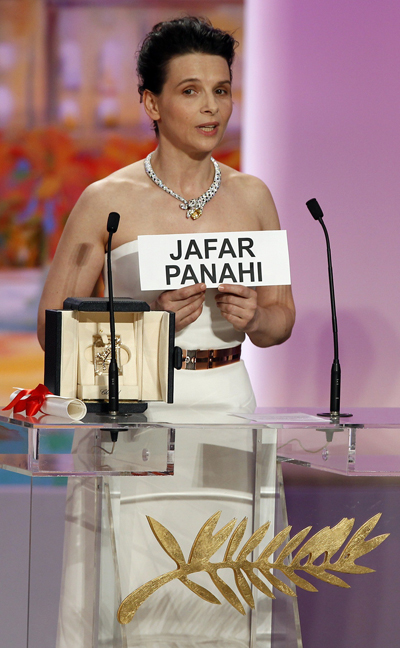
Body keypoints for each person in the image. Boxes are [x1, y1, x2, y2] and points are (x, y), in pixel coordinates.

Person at [37, 16, 295, 414]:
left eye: (221, 90)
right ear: (152, 103)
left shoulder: (254, 196)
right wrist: (153, 324)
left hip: (230, 406)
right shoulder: (105, 201)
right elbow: (51, 332)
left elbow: (281, 319)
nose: (211, 107)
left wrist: (256, 317)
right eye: (191, 91)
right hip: (131, 409)